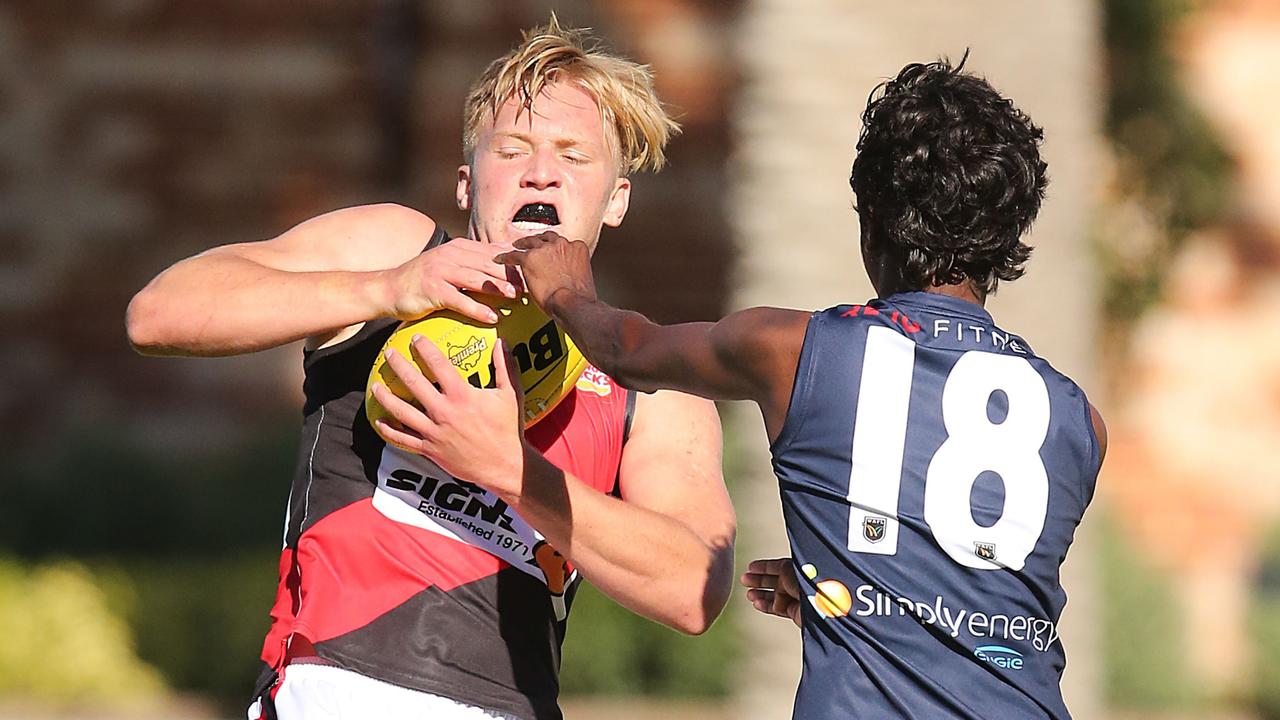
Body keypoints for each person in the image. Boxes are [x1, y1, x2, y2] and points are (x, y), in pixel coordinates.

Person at [126, 18, 735, 720]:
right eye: (513, 150)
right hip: (332, 691)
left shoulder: (643, 379)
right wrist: (386, 288)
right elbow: (157, 313)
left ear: (616, 200)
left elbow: (695, 589)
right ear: (467, 184)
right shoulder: (391, 247)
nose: (542, 171)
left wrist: (508, 469)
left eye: (574, 155)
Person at [491, 57, 1107, 718]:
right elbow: (988, 606)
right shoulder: (1080, 419)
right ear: (1009, 232)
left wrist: (564, 287)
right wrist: (850, 587)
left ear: (871, 219)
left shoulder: (796, 350)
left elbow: (625, 351)